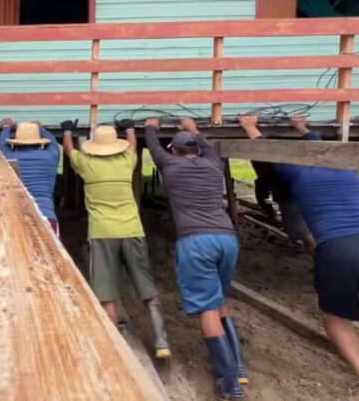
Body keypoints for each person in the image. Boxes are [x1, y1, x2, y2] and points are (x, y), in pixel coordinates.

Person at [239, 115, 359, 378]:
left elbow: (267, 149)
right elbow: (313, 142)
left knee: (336, 319)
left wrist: (249, 126)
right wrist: (302, 126)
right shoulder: (344, 166)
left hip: (339, 250)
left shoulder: (296, 170)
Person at [145, 117, 244, 400]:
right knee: (220, 299)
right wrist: (192, 127)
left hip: (196, 241)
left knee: (207, 309)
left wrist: (151, 125)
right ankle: (239, 369)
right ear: (198, 149)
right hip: (227, 238)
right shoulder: (214, 164)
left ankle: (228, 383)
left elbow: (151, 144)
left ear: (174, 151)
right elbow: (207, 145)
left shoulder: (170, 166)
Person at [61, 119, 170, 359]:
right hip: (132, 230)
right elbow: (132, 145)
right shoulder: (126, 161)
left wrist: (67, 131)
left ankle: (114, 349)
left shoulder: (87, 165)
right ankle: (162, 342)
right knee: (146, 284)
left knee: (106, 292)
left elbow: (70, 152)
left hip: (102, 233)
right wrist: (130, 128)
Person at [0, 119, 60, 233]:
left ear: (16, 143)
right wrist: (40, 128)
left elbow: (2, 144)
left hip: (20, 217)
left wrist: (6, 127)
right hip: (47, 215)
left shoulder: (9, 156)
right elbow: (53, 142)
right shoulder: (51, 156)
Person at [251, 160, 317, 258]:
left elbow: (262, 191)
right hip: (300, 191)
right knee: (307, 231)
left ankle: (320, 261)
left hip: (292, 196)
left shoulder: (267, 169)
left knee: (305, 234)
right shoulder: (279, 165)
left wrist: (270, 212)